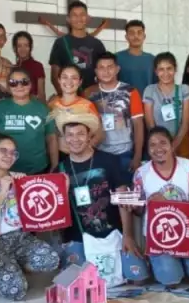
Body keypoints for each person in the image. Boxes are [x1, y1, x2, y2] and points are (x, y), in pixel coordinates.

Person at [57, 113, 149, 285]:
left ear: (89, 136)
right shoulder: (60, 169)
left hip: (112, 233)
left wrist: (127, 236)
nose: (75, 139)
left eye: (80, 134)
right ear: (64, 138)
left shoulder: (108, 160)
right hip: (79, 236)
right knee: (75, 283)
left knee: (139, 278)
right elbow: (55, 212)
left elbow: (122, 199)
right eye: (70, 135)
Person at [0, 134, 59, 300]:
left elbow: (37, 210)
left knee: (51, 259)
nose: (8, 156)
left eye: (13, 152)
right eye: (3, 151)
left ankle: (13, 265)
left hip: (20, 237)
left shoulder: (19, 179)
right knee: (16, 292)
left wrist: (26, 187)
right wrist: (3, 190)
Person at [132, 127, 189, 286]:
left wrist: (165, 202)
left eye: (163, 143)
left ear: (172, 145)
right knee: (171, 279)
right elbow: (138, 212)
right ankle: (164, 264)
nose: (158, 148)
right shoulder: (141, 173)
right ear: (147, 149)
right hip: (158, 238)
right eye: (152, 145)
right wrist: (143, 203)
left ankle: (184, 261)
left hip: (186, 234)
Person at [0, 68, 58, 174]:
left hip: (37, 170)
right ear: (8, 87)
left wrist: (55, 165)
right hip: (5, 171)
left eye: (24, 82)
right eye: (13, 83)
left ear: (31, 84)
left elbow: (51, 138)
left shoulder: (43, 109)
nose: (19, 86)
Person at [86, 54, 145, 172]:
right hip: (99, 152)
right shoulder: (89, 93)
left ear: (117, 69)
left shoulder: (130, 91)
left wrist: (137, 156)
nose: (106, 71)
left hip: (125, 152)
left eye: (110, 67)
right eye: (101, 68)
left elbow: (138, 124)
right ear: (96, 71)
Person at [48, 1, 107, 93]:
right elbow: (55, 77)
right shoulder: (61, 43)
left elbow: (104, 74)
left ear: (87, 18)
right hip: (69, 99)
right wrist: (66, 98)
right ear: (68, 19)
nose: (78, 18)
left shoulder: (97, 44)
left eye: (82, 15)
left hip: (92, 99)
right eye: (74, 15)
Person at [48, 65, 103, 156]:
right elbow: (46, 133)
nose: (69, 81)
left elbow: (99, 134)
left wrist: (83, 149)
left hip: (82, 157)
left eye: (74, 78)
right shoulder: (51, 105)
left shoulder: (87, 105)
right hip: (58, 156)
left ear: (80, 82)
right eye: (65, 77)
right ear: (59, 80)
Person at [143, 52, 189, 154]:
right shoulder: (150, 90)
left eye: (169, 68)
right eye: (161, 69)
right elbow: (150, 124)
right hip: (158, 145)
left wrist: (173, 146)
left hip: (180, 142)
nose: (165, 73)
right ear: (156, 71)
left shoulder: (184, 90)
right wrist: (161, 145)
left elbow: (185, 123)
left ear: (175, 69)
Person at [115, 20, 157, 96]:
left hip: (147, 105)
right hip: (123, 104)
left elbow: (157, 86)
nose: (136, 36)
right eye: (131, 33)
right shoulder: (116, 58)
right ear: (126, 37)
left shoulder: (153, 60)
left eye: (139, 33)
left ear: (144, 36)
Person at [12, 31, 46, 102]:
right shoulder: (13, 68)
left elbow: (41, 95)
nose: (23, 49)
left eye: (26, 45)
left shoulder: (37, 66)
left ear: (31, 47)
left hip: (33, 107)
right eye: (19, 46)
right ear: (15, 48)